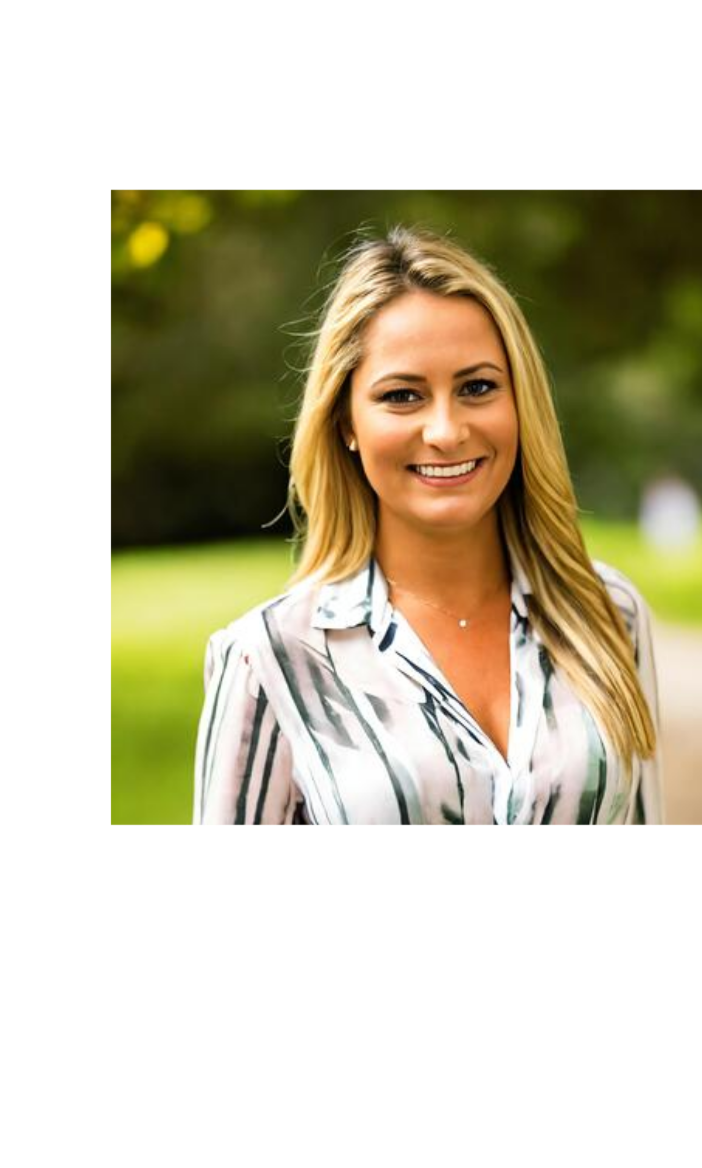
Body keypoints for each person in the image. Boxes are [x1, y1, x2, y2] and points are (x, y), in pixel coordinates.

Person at [193, 224, 666, 844]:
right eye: (402, 395)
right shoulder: (268, 658)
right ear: (346, 422)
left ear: (520, 402)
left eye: (477, 387)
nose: (446, 431)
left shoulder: (609, 613)